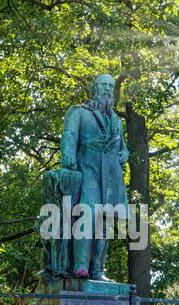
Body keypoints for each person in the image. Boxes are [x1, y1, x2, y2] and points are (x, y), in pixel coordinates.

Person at [61, 74, 129, 281]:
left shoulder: (117, 121)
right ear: (95, 88)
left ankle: (98, 270)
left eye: (111, 85)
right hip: (88, 169)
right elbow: (70, 135)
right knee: (88, 213)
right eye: (104, 85)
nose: (108, 89)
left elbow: (122, 147)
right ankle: (81, 265)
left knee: (105, 221)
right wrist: (68, 156)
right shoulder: (80, 112)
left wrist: (125, 154)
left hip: (110, 175)